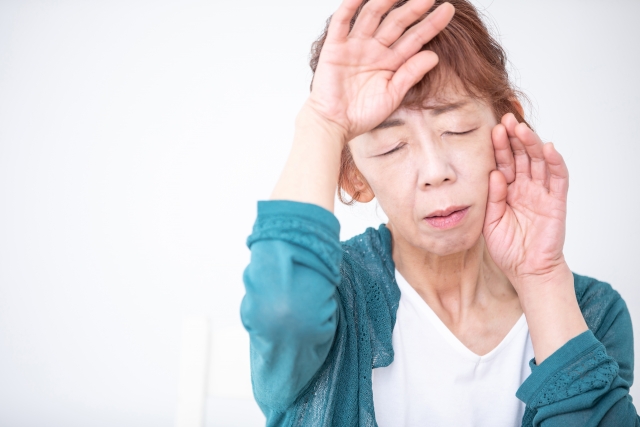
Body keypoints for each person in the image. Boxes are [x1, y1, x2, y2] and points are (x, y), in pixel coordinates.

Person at [240, 0, 638, 425]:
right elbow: (285, 313)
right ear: (353, 175)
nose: (435, 172)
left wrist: (541, 277)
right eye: (392, 146)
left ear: (508, 129)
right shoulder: (334, 298)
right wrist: (322, 121)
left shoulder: (590, 313)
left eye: (458, 129)